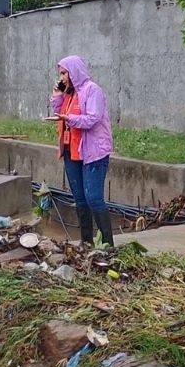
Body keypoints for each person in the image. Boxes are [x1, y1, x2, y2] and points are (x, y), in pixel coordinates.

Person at [48, 55, 115, 246]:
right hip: (72, 151)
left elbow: (93, 118)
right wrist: (57, 96)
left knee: (93, 198)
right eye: (59, 73)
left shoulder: (92, 90)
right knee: (80, 199)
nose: (61, 77)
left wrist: (69, 119)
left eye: (64, 73)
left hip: (92, 152)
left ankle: (108, 245)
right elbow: (59, 113)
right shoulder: (69, 94)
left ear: (74, 71)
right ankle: (86, 242)